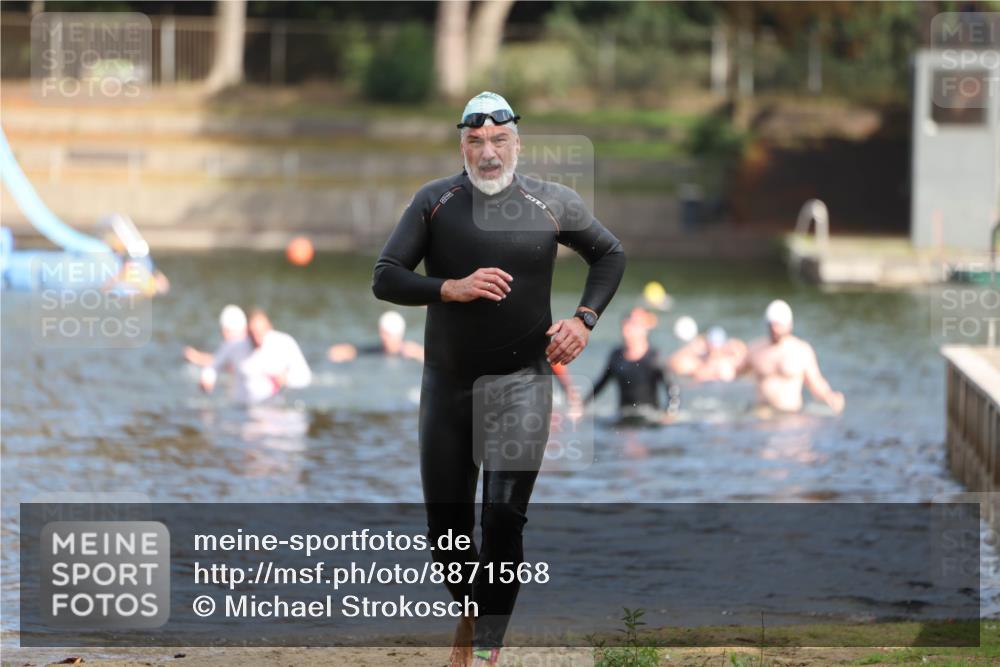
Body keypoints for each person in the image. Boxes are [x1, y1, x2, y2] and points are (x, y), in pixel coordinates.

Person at [371, 91, 625, 666]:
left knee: (505, 515)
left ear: (518, 143)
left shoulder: (551, 202)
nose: (488, 152)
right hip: (448, 387)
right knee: (448, 532)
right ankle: (469, 613)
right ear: (461, 144)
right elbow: (385, 277)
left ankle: (486, 648)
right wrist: (449, 287)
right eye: (475, 141)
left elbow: (610, 255)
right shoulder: (435, 202)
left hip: (522, 384)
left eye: (499, 140)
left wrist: (584, 321)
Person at [739, 299, 845, 415]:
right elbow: (735, 372)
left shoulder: (801, 350)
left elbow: (815, 382)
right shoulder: (755, 348)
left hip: (790, 416)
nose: (775, 329)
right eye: (771, 325)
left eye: (778, 325)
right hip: (761, 414)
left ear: (789, 325)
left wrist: (829, 396)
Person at [201, 308, 312, 404]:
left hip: (275, 411)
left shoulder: (284, 342)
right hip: (243, 409)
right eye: (253, 333)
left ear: (269, 328)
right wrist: (207, 379)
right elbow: (213, 365)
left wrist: (287, 379)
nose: (257, 338)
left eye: (260, 332)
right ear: (247, 331)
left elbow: (305, 376)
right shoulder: (235, 345)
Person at [587, 308, 678, 425]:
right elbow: (601, 384)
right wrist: (581, 406)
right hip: (623, 415)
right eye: (625, 326)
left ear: (644, 330)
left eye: (633, 326)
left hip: (650, 418)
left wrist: (670, 413)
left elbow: (673, 390)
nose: (627, 331)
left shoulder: (654, 358)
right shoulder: (616, 356)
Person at [327, 310, 424, 362]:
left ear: (398, 335)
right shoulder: (378, 349)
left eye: (387, 334)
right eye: (382, 333)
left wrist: (418, 353)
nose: (383, 337)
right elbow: (356, 350)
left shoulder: (409, 352)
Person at [668, 324, 746, 381]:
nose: (715, 349)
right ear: (706, 344)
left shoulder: (731, 361)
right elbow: (672, 365)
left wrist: (738, 346)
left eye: (717, 345)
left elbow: (746, 360)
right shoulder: (700, 362)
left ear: (724, 345)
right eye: (712, 345)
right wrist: (690, 348)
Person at [184, 304, 248, 368]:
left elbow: (220, 362)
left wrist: (197, 358)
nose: (224, 335)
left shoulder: (238, 345)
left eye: (227, 331)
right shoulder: (242, 344)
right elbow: (221, 358)